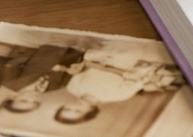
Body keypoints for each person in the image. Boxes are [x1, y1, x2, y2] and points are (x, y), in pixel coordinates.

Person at [53, 50, 183, 125]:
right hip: (127, 60)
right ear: (90, 112)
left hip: (98, 54)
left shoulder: (72, 88)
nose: (74, 106)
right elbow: (135, 75)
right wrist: (101, 67)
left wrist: (95, 65)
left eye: (67, 108)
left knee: (92, 52)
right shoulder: (119, 96)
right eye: (78, 111)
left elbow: (85, 64)